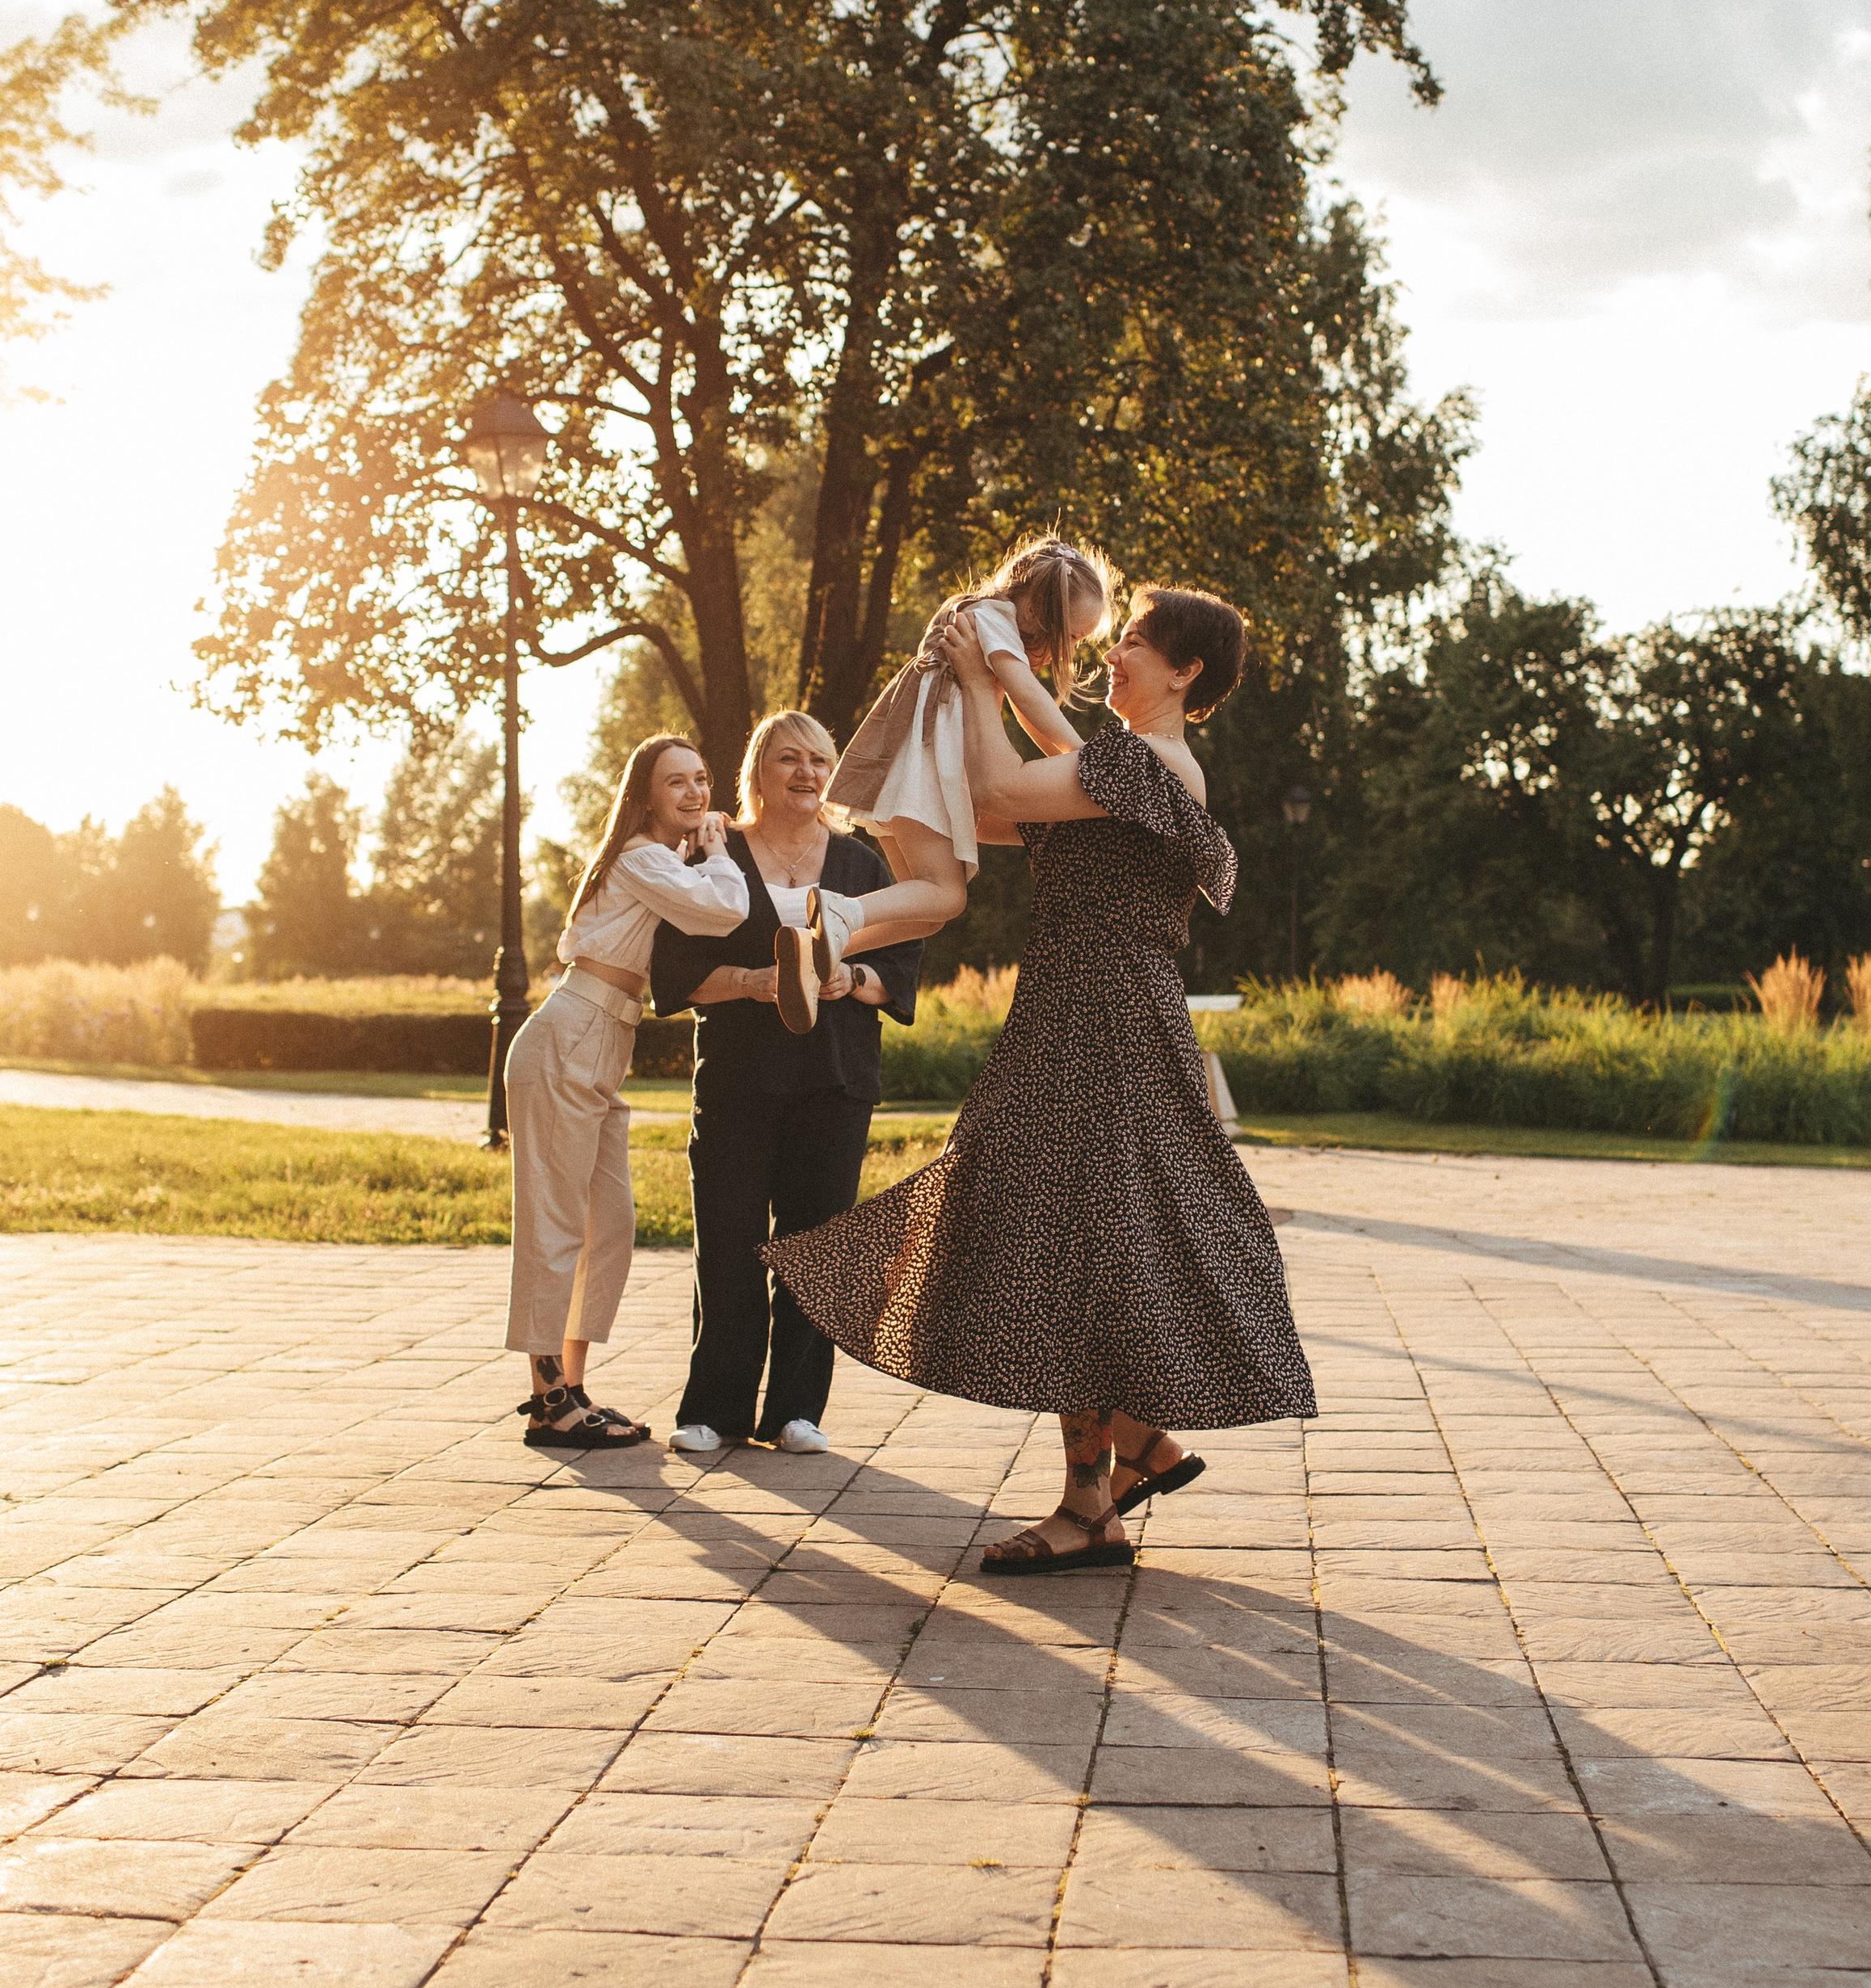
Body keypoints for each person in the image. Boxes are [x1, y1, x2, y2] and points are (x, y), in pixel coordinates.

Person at [767, 586, 1315, 1574]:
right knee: (1071, 1237)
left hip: (1106, 1025)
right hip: (1071, 1016)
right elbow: (992, 801)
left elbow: (1004, 782)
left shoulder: (1157, 764)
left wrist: (989, 662)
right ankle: (1127, 1456)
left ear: (1185, 674)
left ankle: (1093, 1495)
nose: (1116, 655)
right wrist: (981, 679)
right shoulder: (1113, 771)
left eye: (1137, 645)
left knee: (1078, 1239)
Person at [649, 710, 924, 1457]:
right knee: (729, 1245)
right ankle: (715, 1408)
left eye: (819, 760)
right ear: (758, 772)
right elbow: (674, 975)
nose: (806, 773)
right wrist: (750, 981)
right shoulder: (714, 853)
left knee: (816, 1246)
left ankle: (797, 1410)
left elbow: (902, 964)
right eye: (789, 759)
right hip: (737, 1081)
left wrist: (856, 977)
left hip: (834, 1082)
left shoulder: (862, 865)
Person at [503, 733, 748, 1449]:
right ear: (646, 795)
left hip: (604, 1041)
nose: (696, 793)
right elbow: (723, 911)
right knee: (556, 1227)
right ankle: (548, 1401)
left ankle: (571, 1390)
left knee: (609, 1226)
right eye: (678, 783)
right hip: (570, 1036)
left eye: (702, 780)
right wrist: (722, 852)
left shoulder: (660, 860)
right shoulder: (644, 856)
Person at [788, 536, 1112, 1025]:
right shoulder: (992, 620)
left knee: (928, 912)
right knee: (949, 893)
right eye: (1072, 636)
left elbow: (1024, 713)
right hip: (924, 768)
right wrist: (1090, 765)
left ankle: (814, 950)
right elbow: (1031, 701)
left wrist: (1069, 767)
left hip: (907, 766)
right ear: (1038, 609)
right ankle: (839, 912)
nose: (1071, 647)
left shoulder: (977, 615)